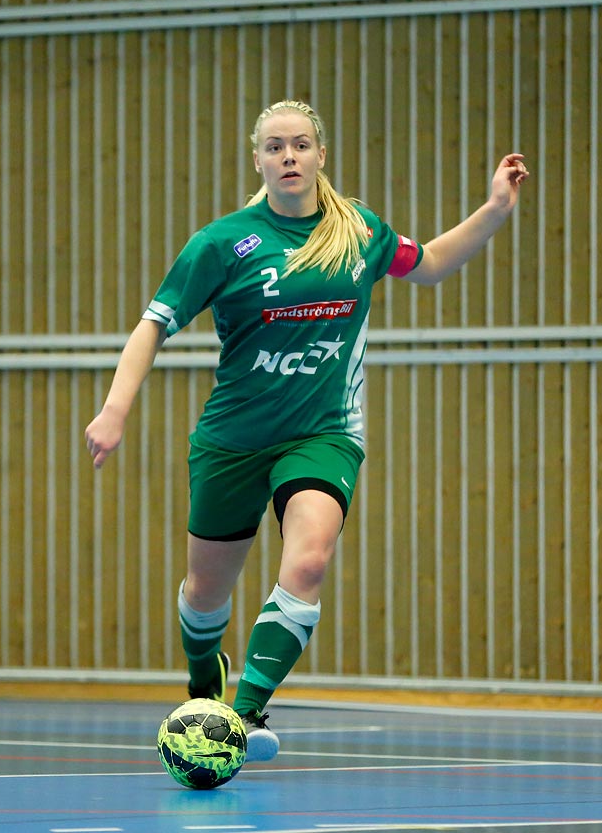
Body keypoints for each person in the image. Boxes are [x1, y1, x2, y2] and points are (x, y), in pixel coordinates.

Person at [84, 99, 529, 762]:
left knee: (310, 559)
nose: (287, 157)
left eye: (299, 145)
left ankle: (239, 715)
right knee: (206, 594)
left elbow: (430, 263)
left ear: (321, 154)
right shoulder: (223, 243)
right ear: (258, 160)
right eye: (274, 148)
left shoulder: (358, 234)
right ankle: (204, 676)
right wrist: (115, 408)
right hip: (232, 439)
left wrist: (494, 211)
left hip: (323, 433)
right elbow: (154, 323)